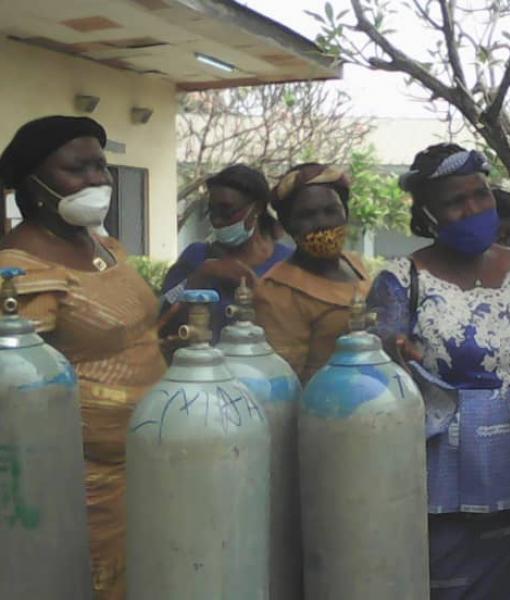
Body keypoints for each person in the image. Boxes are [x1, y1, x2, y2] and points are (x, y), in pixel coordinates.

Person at [367, 144, 510, 598]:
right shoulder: (400, 280)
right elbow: (378, 378)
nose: (472, 209)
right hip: (445, 490)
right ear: (428, 215)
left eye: (481, 195)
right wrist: (395, 359)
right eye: (455, 202)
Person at [0, 115, 166, 599]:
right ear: (31, 184)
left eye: (102, 166)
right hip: (88, 488)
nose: (98, 180)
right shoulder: (20, 274)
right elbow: (21, 396)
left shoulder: (104, 246)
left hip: (150, 465)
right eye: (79, 169)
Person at [253, 163, 371, 383]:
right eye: (307, 215)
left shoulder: (355, 265)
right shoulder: (277, 291)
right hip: (322, 408)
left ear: (345, 213)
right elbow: (283, 381)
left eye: (331, 211)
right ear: (288, 225)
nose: (322, 223)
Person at [159, 164, 291, 344]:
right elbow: (162, 314)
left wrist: (260, 293)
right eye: (212, 211)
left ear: (257, 209)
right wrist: (200, 276)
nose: (217, 220)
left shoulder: (286, 263)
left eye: (227, 210)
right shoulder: (196, 256)